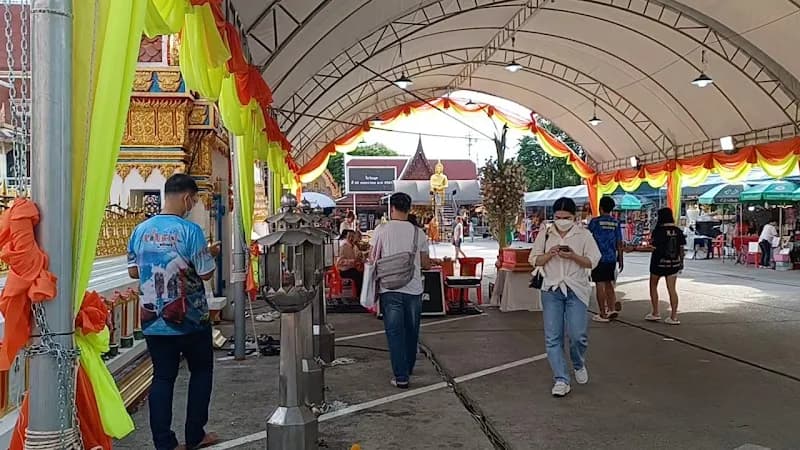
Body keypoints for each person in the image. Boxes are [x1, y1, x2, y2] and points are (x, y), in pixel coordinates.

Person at [127, 174, 221, 450]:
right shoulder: (190, 232)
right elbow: (206, 274)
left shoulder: (140, 230)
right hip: (191, 320)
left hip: (153, 320)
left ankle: (164, 443)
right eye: (193, 200)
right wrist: (210, 253)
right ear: (186, 198)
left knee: (163, 377)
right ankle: (195, 435)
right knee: (201, 372)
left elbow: (133, 271)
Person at [530, 197, 601, 397]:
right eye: (558, 217)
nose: (561, 220)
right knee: (553, 337)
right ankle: (561, 379)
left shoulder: (584, 235)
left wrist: (573, 256)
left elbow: (592, 262)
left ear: (574, 217)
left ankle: (578, 362)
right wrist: (550, 254)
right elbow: (534, 259)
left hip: (576, 289)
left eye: (566, 217)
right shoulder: (545, 234)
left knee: (578, 335)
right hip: (551, 289)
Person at [371, 192, 436, 389]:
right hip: (413, 288)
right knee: (411, 331)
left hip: (389, 288)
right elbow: (425, 263)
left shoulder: (381, 230)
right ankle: (407, 367)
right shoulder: (419, 233)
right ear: (409, 209)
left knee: (394, 332)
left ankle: (401, 376)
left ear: (391, 208)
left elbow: (373, 258)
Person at [646, 208, 686, 325]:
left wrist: (634, 248)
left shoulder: (658, 231)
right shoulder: (678, 231)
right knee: (672, 289)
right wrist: (681, 262)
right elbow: (681, 249)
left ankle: (655, 312)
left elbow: (653, 247)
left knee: (653, 285)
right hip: (674, 263)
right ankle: (673, 317)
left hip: (658, 262)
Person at [588, 196, 624, 322]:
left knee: (599, 284)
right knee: (609, 283)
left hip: (597, 257)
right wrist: (621, 258)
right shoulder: (616, 223)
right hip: (611, 258)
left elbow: (587, 237)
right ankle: (612, 308)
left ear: (600, 208)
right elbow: (619, 242)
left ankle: (602, 313)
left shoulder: (595, 222)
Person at [337, 230, 364, 294]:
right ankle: (358, 295)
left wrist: (360, 257)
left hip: (352, 268)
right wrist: (353, 261)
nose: (351, 238)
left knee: (363, 273)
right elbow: (339, 262)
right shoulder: (344, 247)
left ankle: (361, 294)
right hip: (344, 271)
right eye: (349, 236)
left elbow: (358, 256)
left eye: (353, 236)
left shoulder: (354, 246)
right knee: (358, 275)